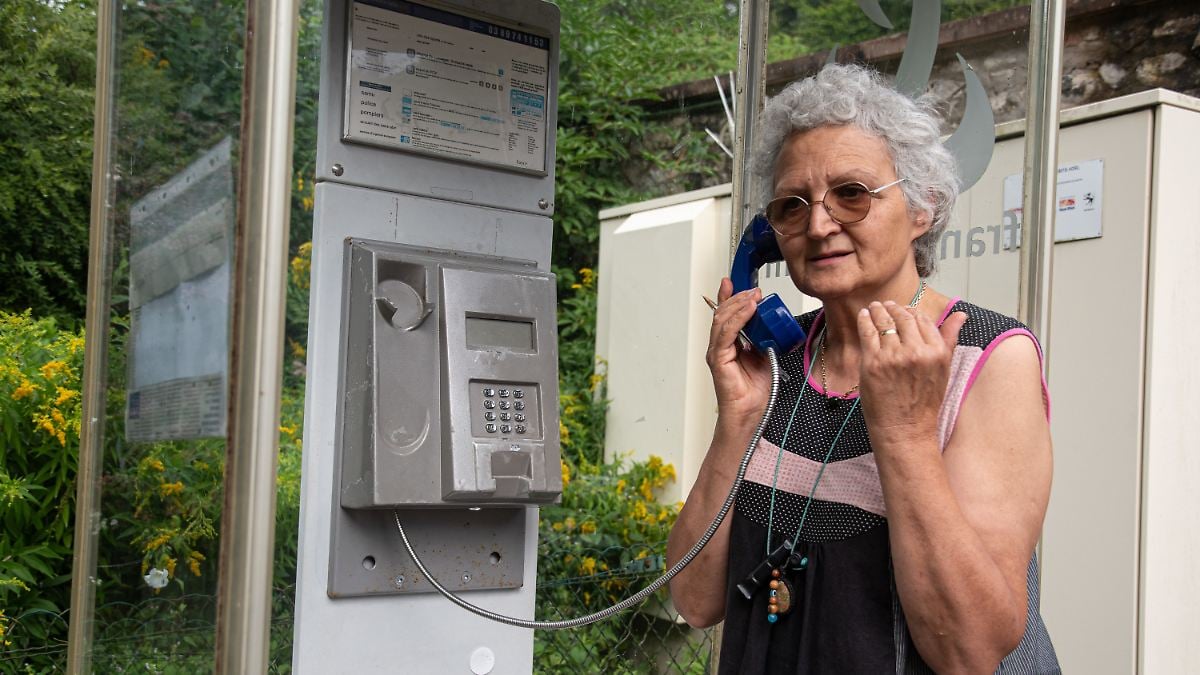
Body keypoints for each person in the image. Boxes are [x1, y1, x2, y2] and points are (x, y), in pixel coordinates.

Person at [666, 64, 1059, 673]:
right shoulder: (777, 365)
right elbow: (693, 600)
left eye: (852, 193)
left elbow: (971, 650)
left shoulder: (986, 357)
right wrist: (737, 422)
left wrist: (904, 435)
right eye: (792, 207)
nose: (820, 226)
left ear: (922, 207)